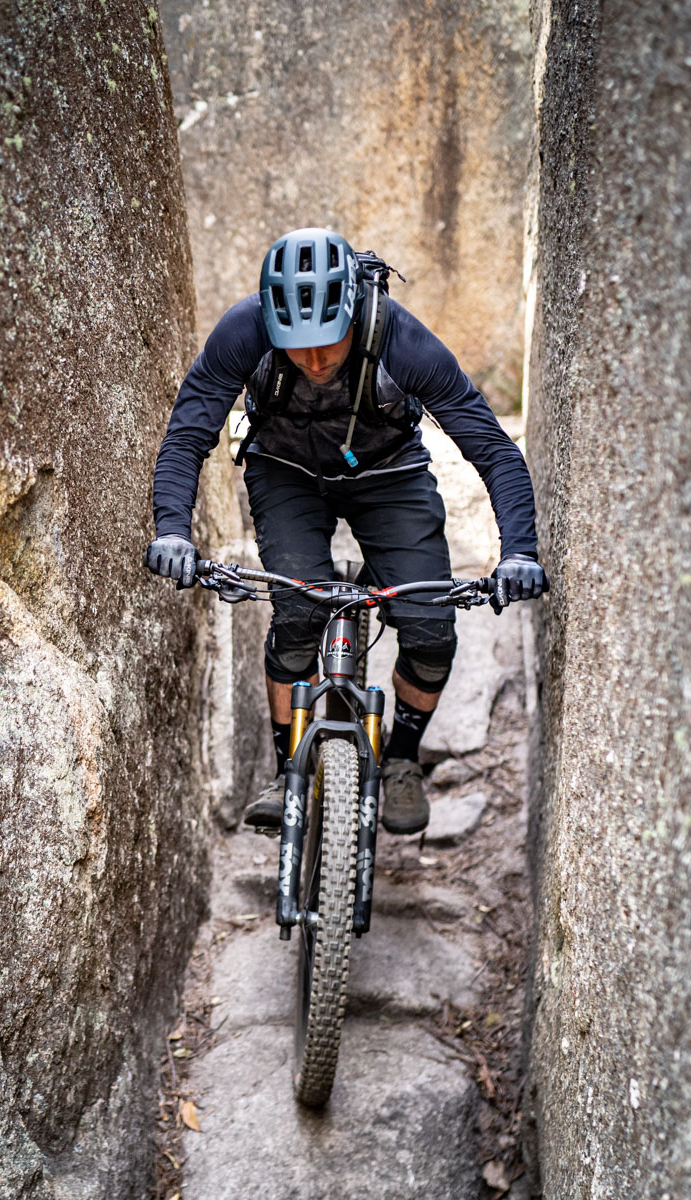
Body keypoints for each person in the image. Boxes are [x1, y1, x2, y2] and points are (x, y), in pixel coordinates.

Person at [143, 228, 547, 835]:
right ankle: (289, 772)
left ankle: (403, 760)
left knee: (431, 629)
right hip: (287, 472)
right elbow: (187, 435)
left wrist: (519, 551)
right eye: (297, 349)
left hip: (388, 472)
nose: (313, 363)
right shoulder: (242, 332)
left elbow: (492, 449)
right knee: (299, 613)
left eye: (327, 346)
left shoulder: (402, 342)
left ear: (354, 313)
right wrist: (172, 530)